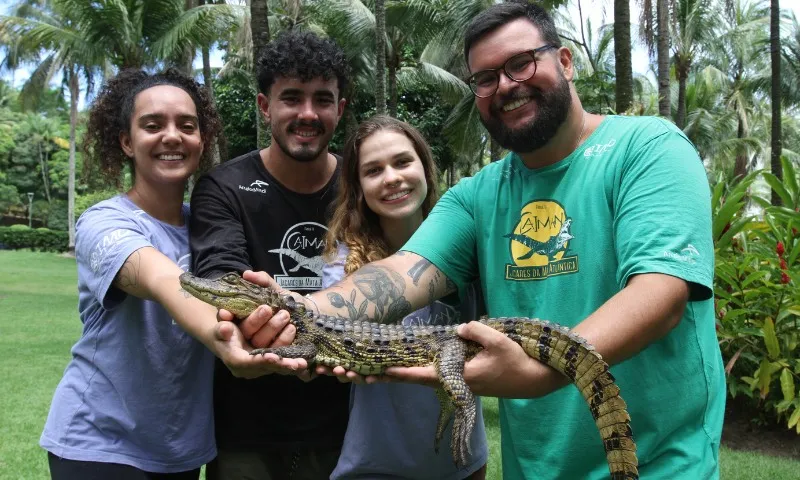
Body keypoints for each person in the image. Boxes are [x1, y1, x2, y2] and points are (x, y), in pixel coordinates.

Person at [245, 2, 726, 479]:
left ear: (564, 61)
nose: (506, 86)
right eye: (486, 78)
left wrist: (537, 376)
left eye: (521, 63)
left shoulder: (647, 147)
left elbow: (662, 293)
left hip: (660, 466)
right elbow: (398, 275)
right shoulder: (478, 194)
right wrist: (294, 311)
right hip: (533, 469)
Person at [39, 69, 284, 480]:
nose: (172, 136)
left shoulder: (213, 231)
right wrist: (227, 342)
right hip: (100, 444)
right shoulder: (103, 222)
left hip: (183, 451)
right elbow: (162, 279)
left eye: (187, 126)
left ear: (201, 142)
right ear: (126, 141)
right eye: (152, 126)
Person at [189, 30, 351, 479]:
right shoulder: (224, 187)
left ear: (340, 108)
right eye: (291, 98)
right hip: (246, 433)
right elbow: (223, 284)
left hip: (351, 430)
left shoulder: (362, 187)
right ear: (265, 106)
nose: (307, 114)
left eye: (322, 99)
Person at [320, 116, 488, 480]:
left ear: (425, 168)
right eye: (373, 170)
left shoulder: (471, 245)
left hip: (461, 459)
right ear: (359, 187)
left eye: (402, 162)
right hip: (377, 463)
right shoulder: (342, 263)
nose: (392, 178)